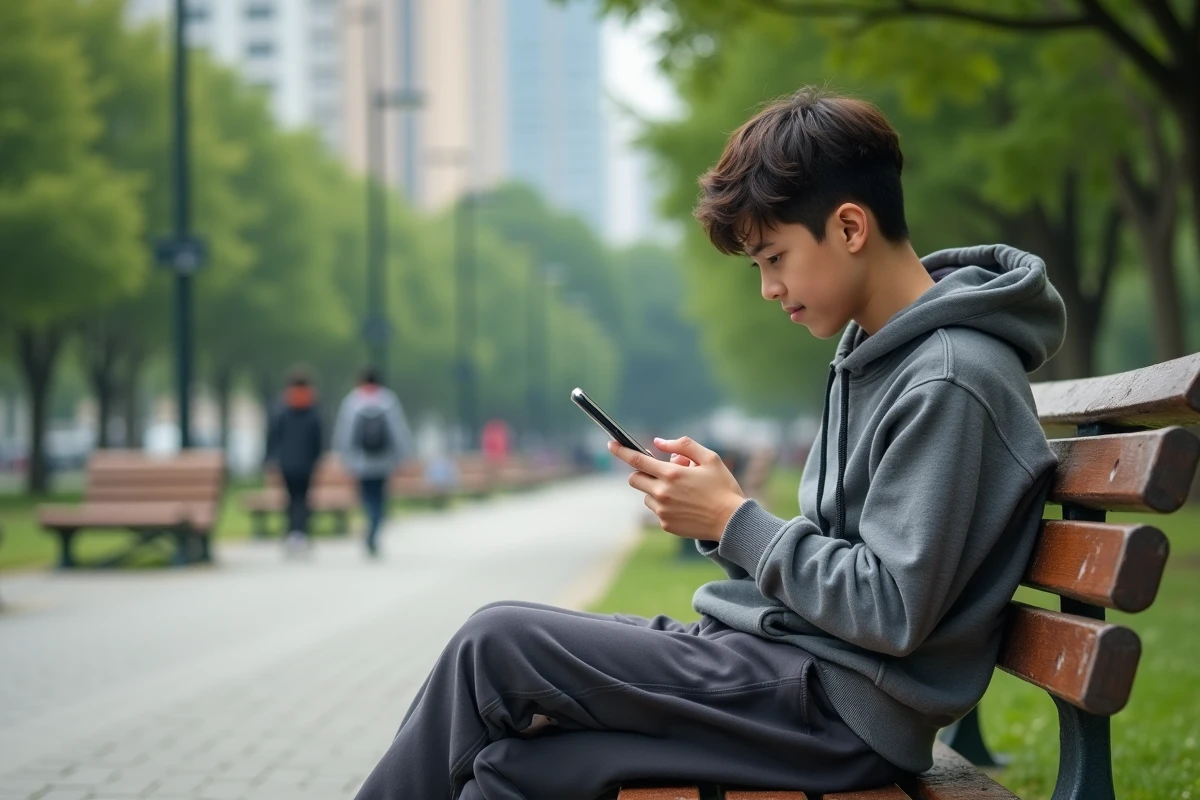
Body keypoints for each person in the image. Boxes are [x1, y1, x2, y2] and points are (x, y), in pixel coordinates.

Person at [353, 87, 1065, 799]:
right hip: (788, 672)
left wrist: (734, 520)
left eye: (774, 257)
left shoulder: (949, 377)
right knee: (511, 771)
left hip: (836, 711)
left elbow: (891, 609)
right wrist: (722, 516)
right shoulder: (876, 353)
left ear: (850, 227)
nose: (768, 288)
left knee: (495, 644)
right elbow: (846, 565)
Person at [333, 368, 413, 557]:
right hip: (383, 461)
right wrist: (403, 456)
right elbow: (398, 431)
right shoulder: (388, 400)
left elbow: (344, 432)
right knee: (380, 498)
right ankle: (374, 529)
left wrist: (344, 458)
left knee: (367, 497)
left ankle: (370, 524)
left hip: (360, 461)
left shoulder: (352, 401)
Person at [264, 367, 323, 553]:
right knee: (303, 498)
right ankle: (301, 533)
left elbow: (273, 436)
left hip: (286, 462)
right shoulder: (312, 408)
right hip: (306, 463)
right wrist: (316, 458)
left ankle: (292, 533)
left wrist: (269, 458)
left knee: (290, 499)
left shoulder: (282, 408)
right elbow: (318, 438)